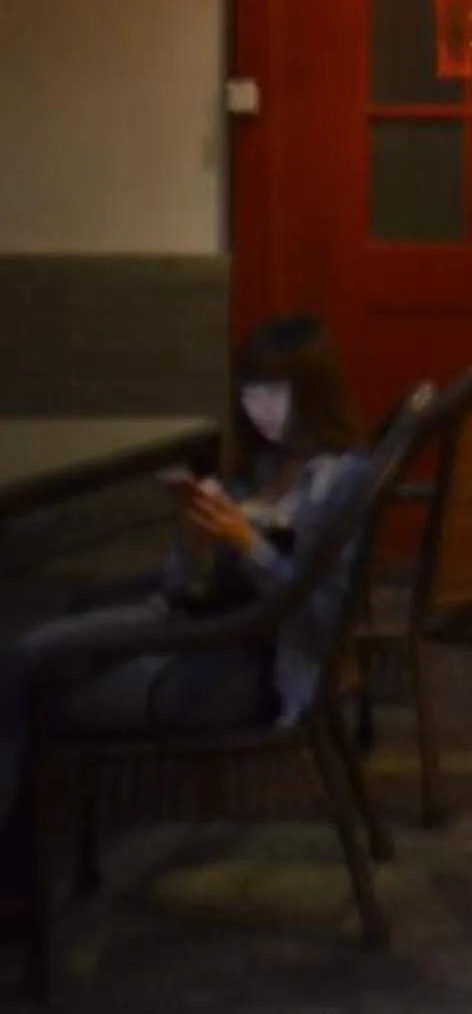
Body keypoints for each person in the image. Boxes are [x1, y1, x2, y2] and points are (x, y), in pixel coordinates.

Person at [0, 317, 374, 888]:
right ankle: (21, 859)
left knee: (34, 679)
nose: (260, 408)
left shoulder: (344, 481)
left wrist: (249, 545)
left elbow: (325, 623)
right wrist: (197, 545)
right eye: (249, 391)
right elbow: (183, 592)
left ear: (314, 393)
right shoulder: (261, 469)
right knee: (27, 656)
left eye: (275, 392)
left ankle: (17, 874)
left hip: (254, 671)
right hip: (195, 631)